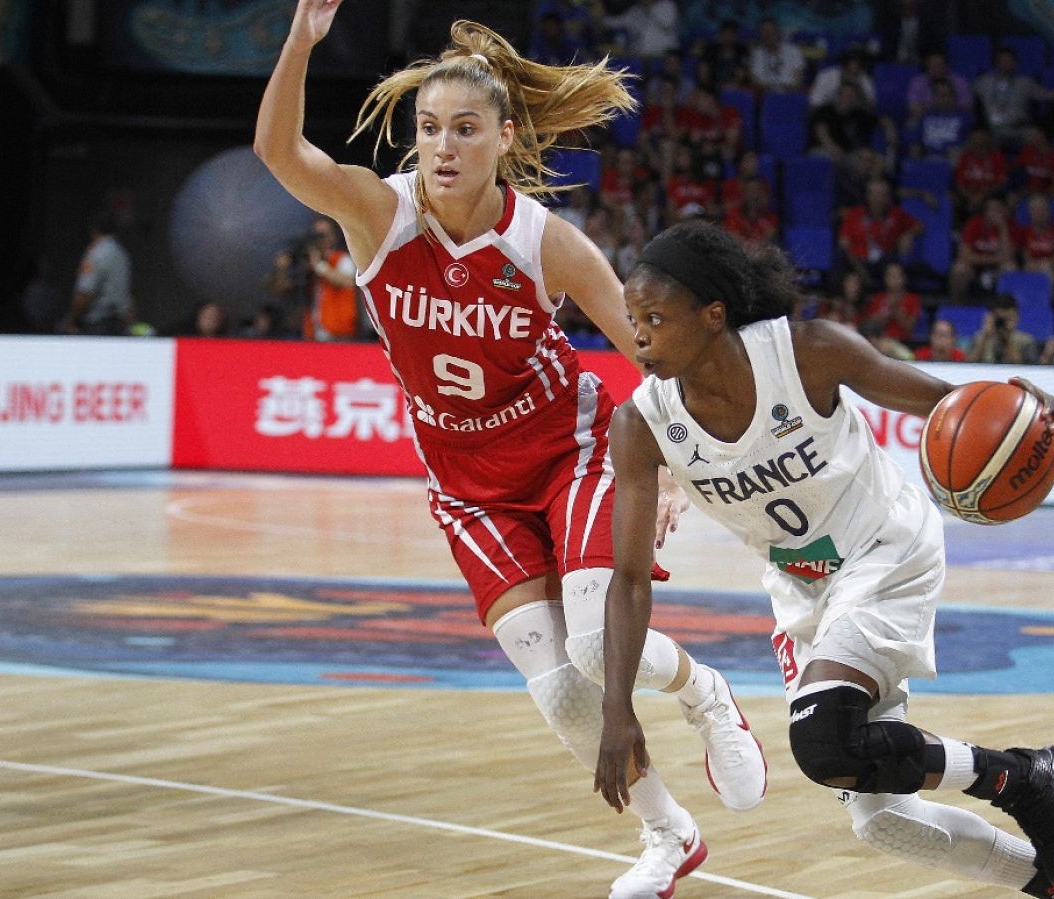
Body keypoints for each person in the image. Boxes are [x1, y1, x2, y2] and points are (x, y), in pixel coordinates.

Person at [254, 9, 768, 898]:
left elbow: (653, 353)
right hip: (467, 485)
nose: (442, 147)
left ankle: (704, 693)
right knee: (559, 688)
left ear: (505, 138)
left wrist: (668, 467)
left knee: (597, 646)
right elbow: (277, 152)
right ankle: (669, 834)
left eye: (464, 129)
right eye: (428, 129)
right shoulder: (379, 212)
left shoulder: (544, 241)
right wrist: (301, 37)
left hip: (572, 451)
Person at [594, 221, 1054, 899]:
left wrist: (1022, 407)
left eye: (654, 319)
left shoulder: (808, 353)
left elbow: (947, 404)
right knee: (883, 817)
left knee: (822, 740)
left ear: (713, 314)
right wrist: (616, 707)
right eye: (633, 321)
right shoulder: (641, 424)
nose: (639, 338)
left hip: (885, 548)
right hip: (802, 590)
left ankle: (1021, 776)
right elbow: (628, 579)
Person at [67, 214, 134, 336]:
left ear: (94, 230)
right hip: (120, 323)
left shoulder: (96, 254)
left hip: (98, 324)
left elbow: (85, 293)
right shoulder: (122, 254)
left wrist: (73, 320)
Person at [302, 216, 360, 340]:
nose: (319, 240)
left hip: (338, 333)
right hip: (313, 333)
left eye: (322, 235)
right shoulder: (308, 262)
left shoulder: (342, 259)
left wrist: (319, 266)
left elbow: (347, 281)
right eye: (315, 235)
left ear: (333, 237)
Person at [970, 296, 1041, 364]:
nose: (1004, 323)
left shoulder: (1026, 341)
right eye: (1001, 319)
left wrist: (1005, 341)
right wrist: (985, 336)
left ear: (1017, 317)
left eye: (1009, 318)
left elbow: (1026, 367)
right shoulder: (980, 338)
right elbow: (969, 364)